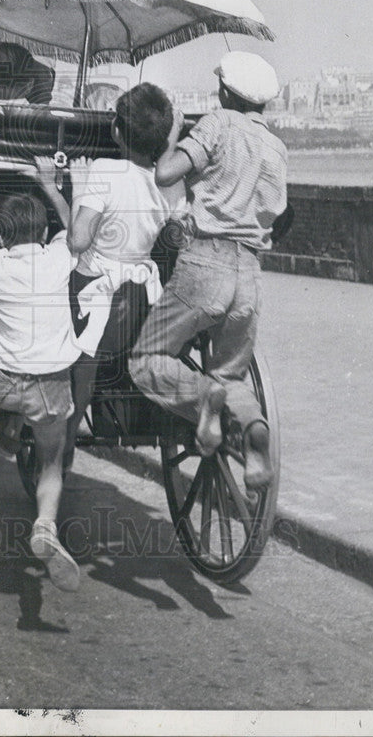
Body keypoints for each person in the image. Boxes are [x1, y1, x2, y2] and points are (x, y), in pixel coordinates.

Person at [128, 51, 287, 490]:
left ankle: (204, 401)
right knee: (229, 373)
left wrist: (176, 132)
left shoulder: (217, 124)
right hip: (250, 276)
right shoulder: (276, 147)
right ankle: (253, 429)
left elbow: (165, 173)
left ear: (224, 92)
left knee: (145, 361)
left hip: (206, 263)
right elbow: (278, 211)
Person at [0, 150, 81, 591]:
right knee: (50, 463)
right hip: (49, 383)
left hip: (1, 383)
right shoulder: (58, 259)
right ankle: (45, 523)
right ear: (44, 232)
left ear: (2, 238)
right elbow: (77, 233)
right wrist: (50, 184)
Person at [65, 83, 186, 471]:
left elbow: (78, 240)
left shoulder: (103, 170)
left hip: (96, 294)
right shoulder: (165, 181)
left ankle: (62, 434)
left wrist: (76, 187)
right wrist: (172, 138)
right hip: (141, 294)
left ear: (116, 131)